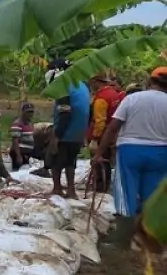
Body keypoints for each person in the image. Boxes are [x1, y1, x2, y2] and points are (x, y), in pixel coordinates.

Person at [95, 67, 167, 248]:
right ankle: (147, 239)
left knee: (126, 192)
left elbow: (113, 127)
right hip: (160, 152)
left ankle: (122, 239)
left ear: (150, 82)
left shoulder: (132, 98)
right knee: (151, 196)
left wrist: (98, 153)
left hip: (130, 150)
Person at [46, 58, 90, 198]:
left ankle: (57, 188)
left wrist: (56, 136)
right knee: (71, 162)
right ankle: (71, 190)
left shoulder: (63, 87)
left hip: (66, 131)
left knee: (55, 160)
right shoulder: (82, 85)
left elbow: (65, 113)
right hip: (78, 133)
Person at [87, 74, 123, 192]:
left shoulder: (101, 98)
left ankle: (99, 187)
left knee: (98, 161)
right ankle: (106, 185)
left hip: (103, 134)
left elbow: (100, 121)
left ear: (96, 82)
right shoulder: (114, 94)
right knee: (107, 162)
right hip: (113, 133)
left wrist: (95, 139)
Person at [9, 103, 36, 171]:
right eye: (28, 112)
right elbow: (15, 141)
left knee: (24, 172)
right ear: (23, 112)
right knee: (17, 172)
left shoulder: (29, 124)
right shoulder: (17, 123)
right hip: (19, 152)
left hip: (27, 153)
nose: (30, 114)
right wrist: (18, 156)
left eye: (31, 112)